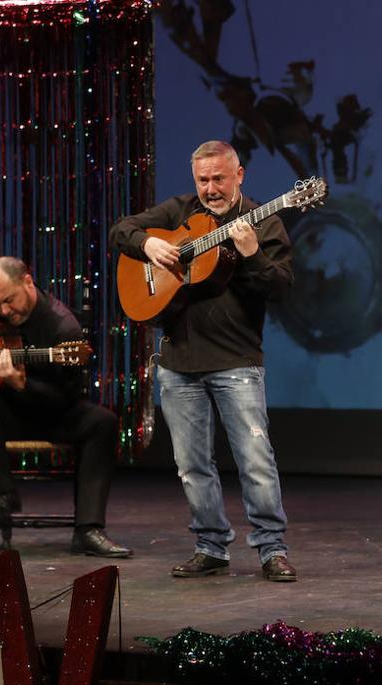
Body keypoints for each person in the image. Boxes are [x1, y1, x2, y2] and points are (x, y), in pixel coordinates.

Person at [110, 140, 296, 582]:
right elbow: (121, 230)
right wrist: (149, 244)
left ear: (239, 175)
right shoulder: (180, 211)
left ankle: (272, 549)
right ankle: (210, 546)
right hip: (178, 362)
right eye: (203, 180)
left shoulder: (263, 220)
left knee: (254, 461)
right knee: (192, 465)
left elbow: (281, 287)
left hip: (236, 361)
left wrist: (251, 255)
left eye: (219, 178)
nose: (210, 188)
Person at [0, 257, 131, 558]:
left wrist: (23, 384)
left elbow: (67, 398)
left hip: (52, 411)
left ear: (28, 282)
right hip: (7, 414)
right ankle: (3, 493)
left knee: (104, 422)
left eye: (9, 301)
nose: (4, 311)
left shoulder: (63, 329)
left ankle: (88, 529)